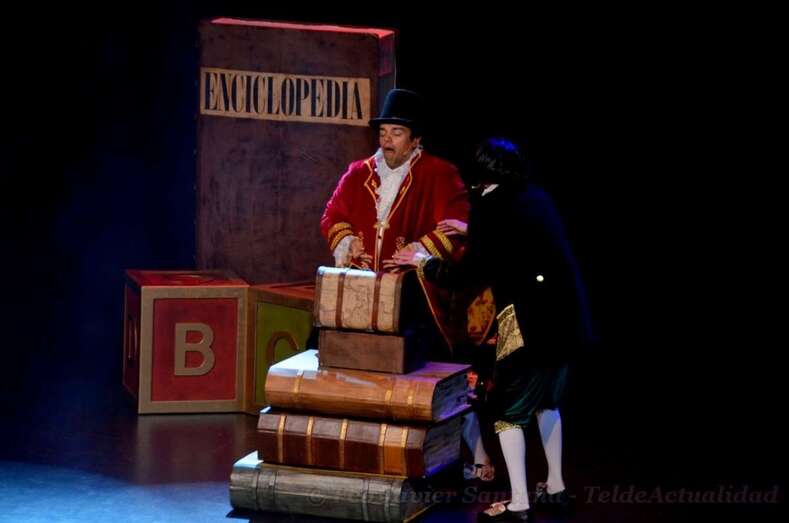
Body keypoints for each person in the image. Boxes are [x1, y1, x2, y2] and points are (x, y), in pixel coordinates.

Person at [393, 138, 592, 521]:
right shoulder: (534, 197)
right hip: (566, 320)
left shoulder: (489, 208)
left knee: (508, 412)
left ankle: (518, 504)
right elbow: (516, 244)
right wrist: (470, 230)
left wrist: (423, 260)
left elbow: (468, 273)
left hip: (529, 323)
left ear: (481, 173)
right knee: (548, 404)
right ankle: (555, 488)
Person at [320, 88, 495, 482]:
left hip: (417, 294)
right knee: (346, 365)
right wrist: (347, 242)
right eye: (384, 132)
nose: (387, 141)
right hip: (365, 293)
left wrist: (420, 250)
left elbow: (457, 223)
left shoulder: (439, 173)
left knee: (439, 379)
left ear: (416, 139)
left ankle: (479, 455)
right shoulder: (359, 172)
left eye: (397, 133)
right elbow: (332, 214)